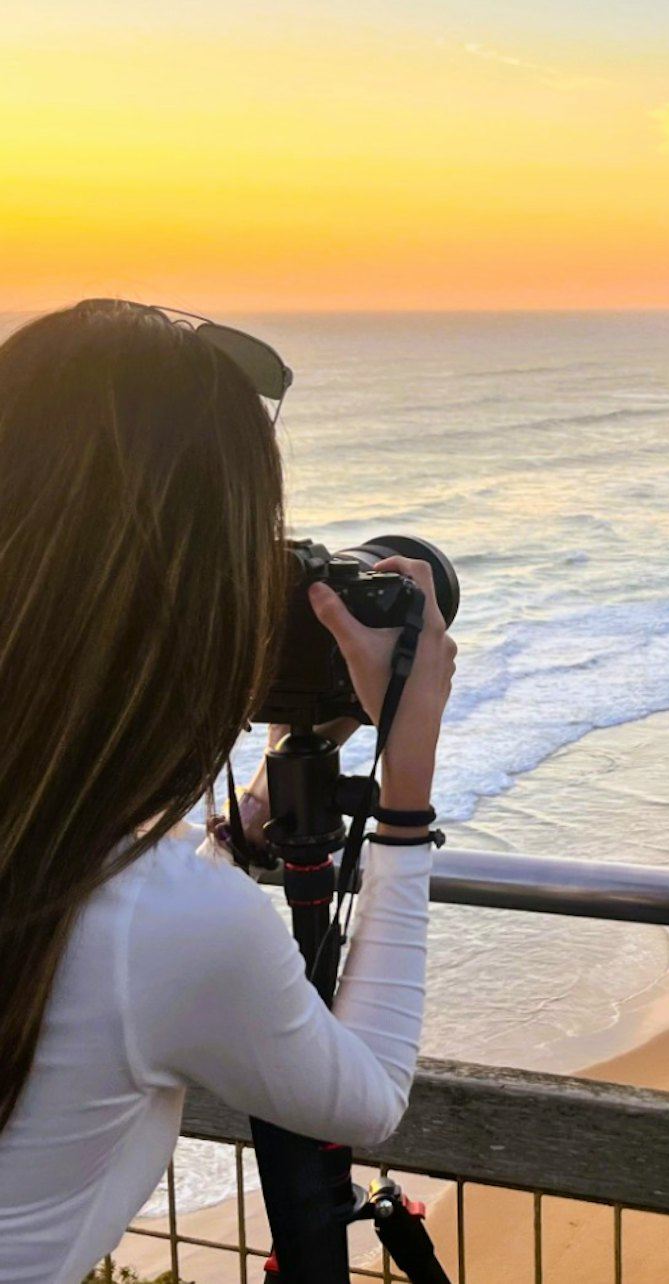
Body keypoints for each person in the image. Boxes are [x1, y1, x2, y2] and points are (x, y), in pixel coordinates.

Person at [0, 299, 456, 1282]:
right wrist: (405, 786)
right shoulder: (159, 924)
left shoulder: (106, 889)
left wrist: (239, 826)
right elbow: (367, 1095)